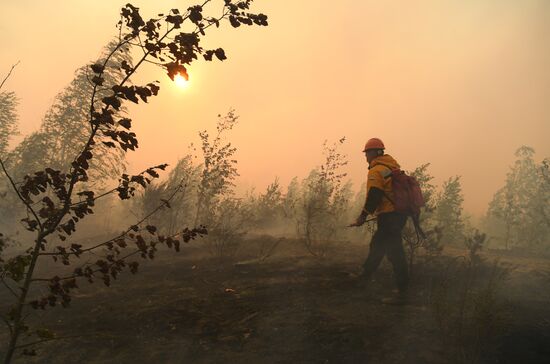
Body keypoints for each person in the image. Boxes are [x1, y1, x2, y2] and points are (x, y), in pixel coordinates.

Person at [349, 137, 409, 304]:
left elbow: (374, 194)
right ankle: (365, 276)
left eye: (367, 153)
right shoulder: (392, 167)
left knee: (394, 252)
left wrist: (362, 216)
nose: (366, 157)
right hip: (398, 215)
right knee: (378, 246)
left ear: (374, 152)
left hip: (389, 216)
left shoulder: (376, 170)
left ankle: (402, 291)